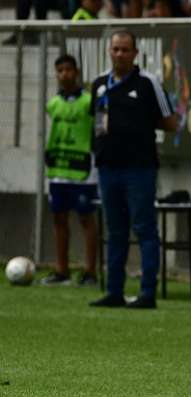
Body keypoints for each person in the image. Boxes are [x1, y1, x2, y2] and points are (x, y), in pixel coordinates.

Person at [89, 30, 177, 310]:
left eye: (125, 50)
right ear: (109, 51)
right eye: (115, 49)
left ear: (135, 53)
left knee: (144, 229)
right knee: (115, 231)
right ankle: (114, 291)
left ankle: (147, 293)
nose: (120, 55)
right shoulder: (99, 85)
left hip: (140, 169)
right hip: (107, 167)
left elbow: (171, 121)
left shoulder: (148, 82)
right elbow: (97, 122)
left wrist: (139, 125)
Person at [40, 55, 99, 288]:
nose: (64, 74)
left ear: (77, 72)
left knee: (86, 218)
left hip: (83, 168)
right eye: (60, 70)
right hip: (59, 168)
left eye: (68, 69)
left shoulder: (88, 101)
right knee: (58, 217)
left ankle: (90, 272)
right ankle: (61, 269)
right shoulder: (53, 103)